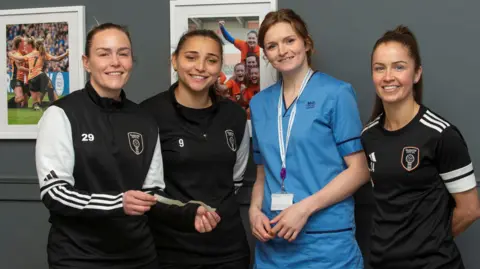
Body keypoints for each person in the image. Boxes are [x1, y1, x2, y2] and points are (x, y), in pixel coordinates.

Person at [35, 23, 220, 269]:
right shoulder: (61, 114)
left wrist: (187, 214)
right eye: (104, 53)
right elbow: (55, 192)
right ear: (86, 62)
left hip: (139, 256)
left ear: (131, 60)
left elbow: (152, 194)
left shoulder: (143, 118)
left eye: (123, 53)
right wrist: (118, 203)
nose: (115, 62)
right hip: (79, 256)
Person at [248, 9, 370, 268]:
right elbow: (262, 173)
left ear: (306, 42)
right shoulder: (258, 104)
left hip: (326, 244)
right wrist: (254, 211)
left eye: (289, 40)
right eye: (272, 45)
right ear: (266, 54)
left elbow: (359, 171)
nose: (282, 50)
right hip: (273, 243)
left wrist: (304, 209)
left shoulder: (336, 94)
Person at [361, 25, 480, 269]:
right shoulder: (369, 135)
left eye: (399, 66)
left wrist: (429, 243)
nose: (388, 76)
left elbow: (470, 210)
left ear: (416, 74)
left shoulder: (441, 134)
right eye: (379, 68)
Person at [141, 29, 251, 269]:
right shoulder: (148, 114)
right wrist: (186, 213)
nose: (201, 67)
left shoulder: (234, 116)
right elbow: (143, 187)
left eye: (211, 60)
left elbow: (236, 177)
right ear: (175, 60)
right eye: (191, 57)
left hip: (229, 250)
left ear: (220, 66)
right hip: (169, 250)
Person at [9, 38, 68, 109]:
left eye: (26, 45)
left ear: (32, 45)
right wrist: (67, 53)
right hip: (39, 76)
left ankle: (41, 104)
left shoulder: (29, 54)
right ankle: (56, 103)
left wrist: (11, 55)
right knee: (49, 87)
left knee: (34, 103)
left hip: (31, 79)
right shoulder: (42, 54)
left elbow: (18, 59)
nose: (25, 47)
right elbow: (57, 59)